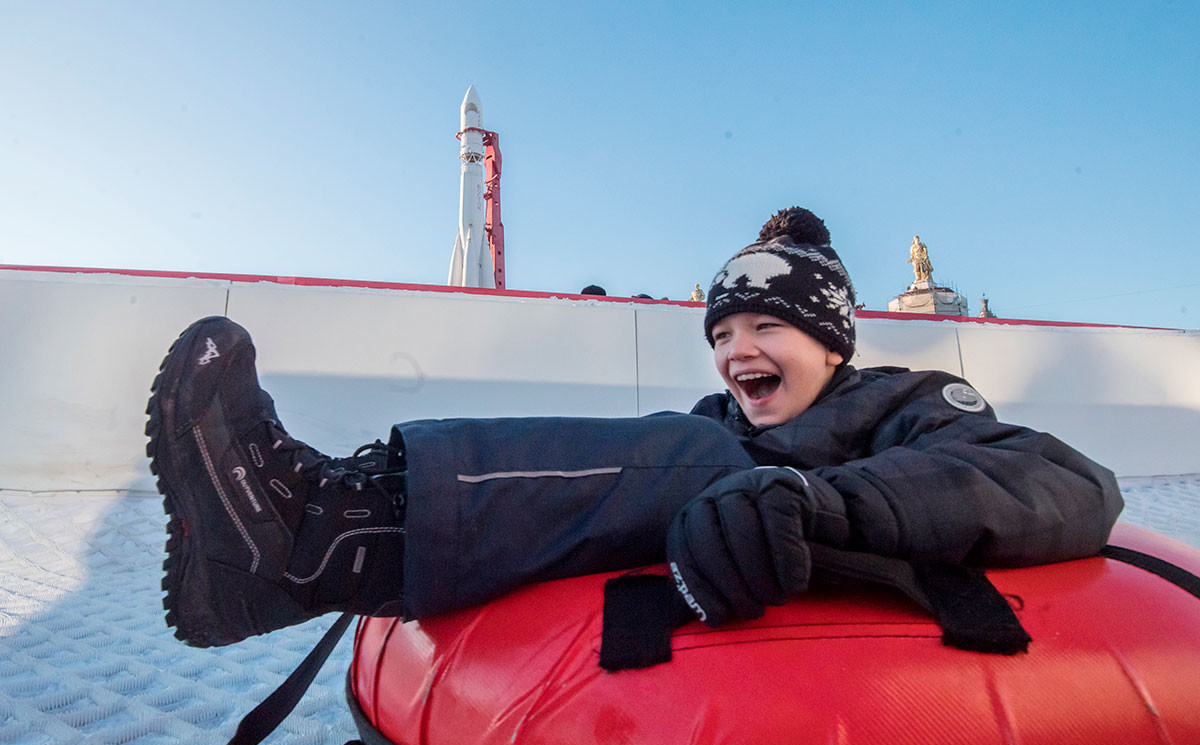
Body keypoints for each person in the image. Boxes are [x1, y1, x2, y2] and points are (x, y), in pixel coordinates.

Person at [146, 207, 1122, 648]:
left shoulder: (898, 400)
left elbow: (1056, 480)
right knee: (687, 439)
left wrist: (816, 501)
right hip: (704, 548)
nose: (738, 350)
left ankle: (308, 533)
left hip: (872, 594)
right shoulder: (713, 418)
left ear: (832, 343)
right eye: (723, 329)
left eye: (768, 326)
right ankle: (341, 530)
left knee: (698, 452)